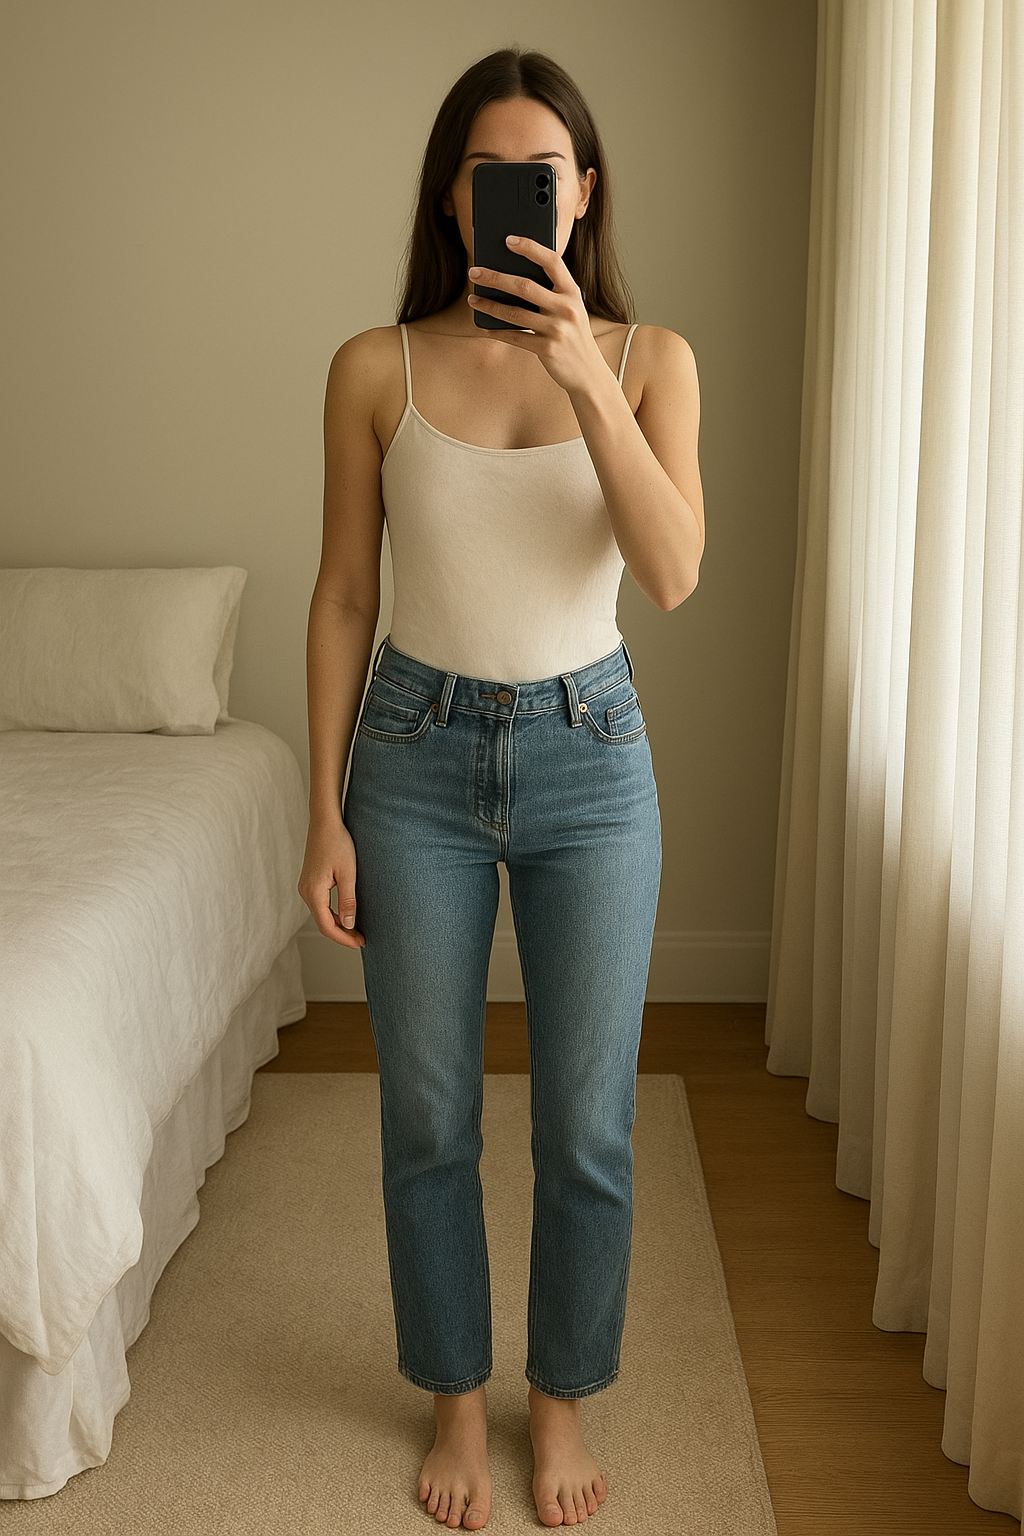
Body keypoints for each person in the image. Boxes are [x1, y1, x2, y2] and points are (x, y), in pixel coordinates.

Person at [297, 46, 704, 1531]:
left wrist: (584, 369)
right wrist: (325, 810)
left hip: (592, 758)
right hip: (410, 759)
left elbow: (673, 571)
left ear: (582, 194)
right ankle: (457, 1402)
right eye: (489, 174)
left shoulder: (653, 360)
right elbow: (346, 595)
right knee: (429, 1116)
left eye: (542, 173)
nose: (516, 196)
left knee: (589, 1123)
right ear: (454, 198)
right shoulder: (374, 368)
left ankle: (563, 1402)